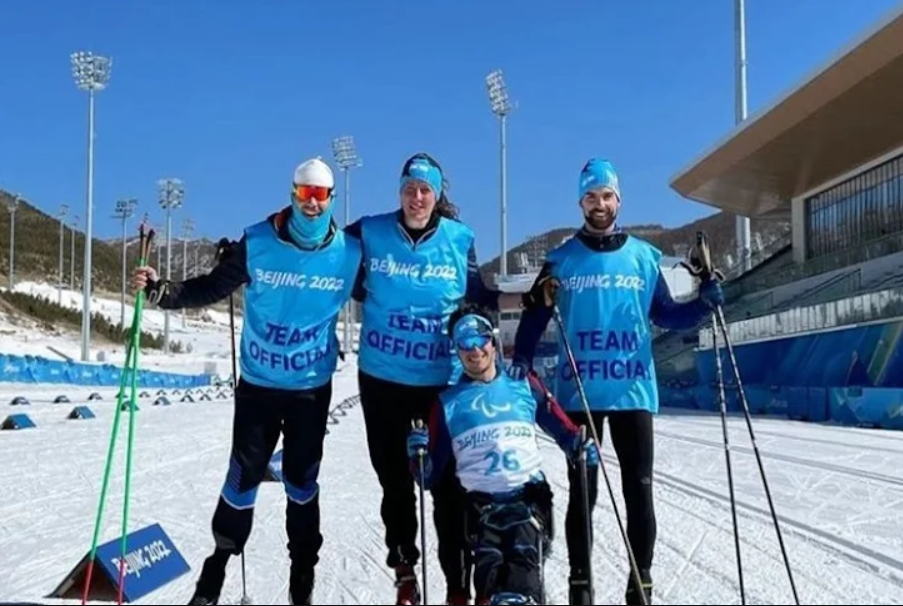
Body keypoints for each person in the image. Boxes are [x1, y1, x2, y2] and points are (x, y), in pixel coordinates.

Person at [133, 157, 362, 605]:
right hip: (259, 385)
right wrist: (163, 291)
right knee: (242, 478)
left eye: (320, 194)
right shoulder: (257, 241)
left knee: (302, 482)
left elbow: (387, 295)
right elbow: (210, 287)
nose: (312, 203)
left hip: (310, 389)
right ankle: (217, 566)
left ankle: (302, 574)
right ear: (293, 193)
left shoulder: (349, 254)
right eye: (304, 193)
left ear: (331, 198)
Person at [510, 158, 724, 606]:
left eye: (606, 196)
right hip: (579, 394)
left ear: (618, 201)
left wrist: (704, 304)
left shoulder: (643, 256)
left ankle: (640, 584)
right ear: (581, 203)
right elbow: (536, 314)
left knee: (638, 491)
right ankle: (581, 586)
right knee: (583, 495)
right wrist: (523, 358)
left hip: (632, 390)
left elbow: (666, 314)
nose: (599, 204)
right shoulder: (561, 259)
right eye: (591, 196)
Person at [345, 152, 520, 605]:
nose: (417, 197)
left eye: (425, 190)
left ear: (437, 194)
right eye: (410, 188)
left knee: (448, 485)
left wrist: (528, 298)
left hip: (439, 381)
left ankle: (458, 586)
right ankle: (405, 570)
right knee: (394, 480)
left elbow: (478, 297)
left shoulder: (459, 239)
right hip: (383, 378)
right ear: (400, 191)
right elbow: (324, 254)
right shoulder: (370, 231)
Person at [405, 304, 599, 605]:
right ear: (456, 350)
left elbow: (564, 430)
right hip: (481, 509)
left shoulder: (522, 384)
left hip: (528, 500)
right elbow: (428, 477)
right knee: (489, 582)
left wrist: (580, 445)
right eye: (464, 343)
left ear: (492, 341)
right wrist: (418, 455)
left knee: (519, 576)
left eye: (480, 339)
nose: (474, 350)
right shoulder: (448, 403)